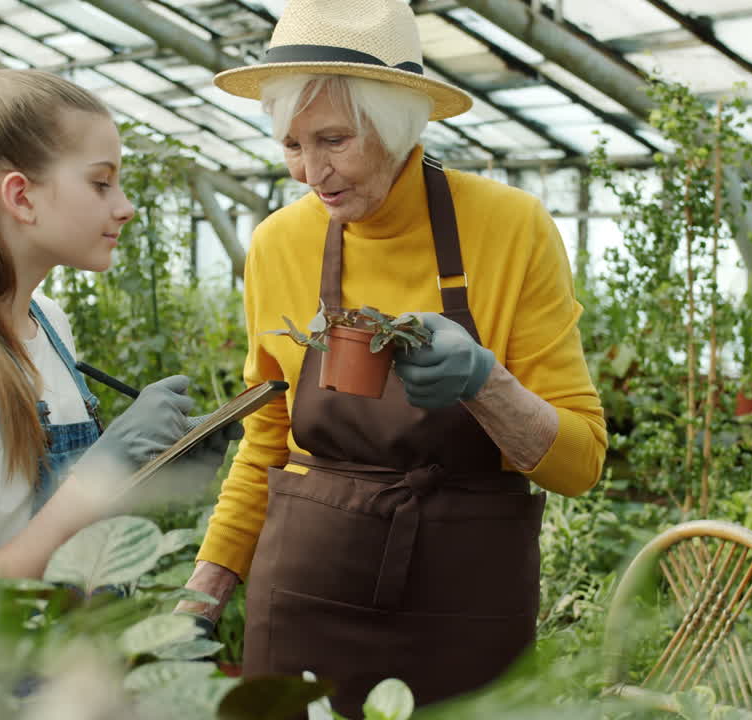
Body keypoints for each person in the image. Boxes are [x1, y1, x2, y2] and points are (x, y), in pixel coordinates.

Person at [174, 0, 607, 712]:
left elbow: (581, 463)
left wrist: (484, 382)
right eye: (291, 144)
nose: (311, 172)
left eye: (334, 140)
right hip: (305, 597)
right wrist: (205, 592)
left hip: (465, 607)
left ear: (397, 124)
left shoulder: (509, 228)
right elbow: (267, 443)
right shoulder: (280, 244)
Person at [0, 61, 234, 623]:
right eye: (101, 182)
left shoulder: (45, 325)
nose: (124, 205)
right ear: (22, 198)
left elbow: (46, 529)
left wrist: (151, 477)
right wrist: (101, 476)